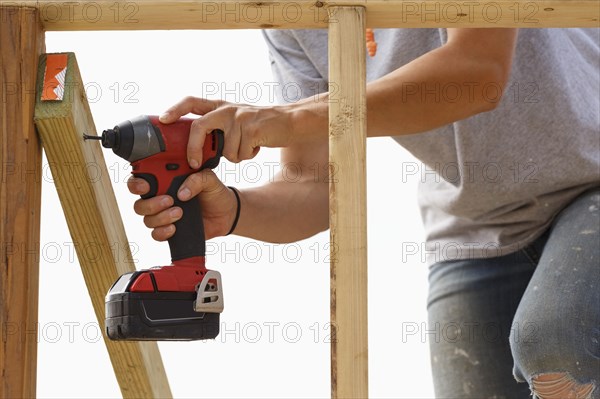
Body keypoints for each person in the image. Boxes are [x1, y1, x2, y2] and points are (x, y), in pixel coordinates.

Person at [128, 28, 600, 398]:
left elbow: (476, 74)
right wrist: (232, 209)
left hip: (591, 180)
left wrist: (292, 118)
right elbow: (313, 185)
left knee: (556, 345)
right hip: (475, 223)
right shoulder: (299, 15)